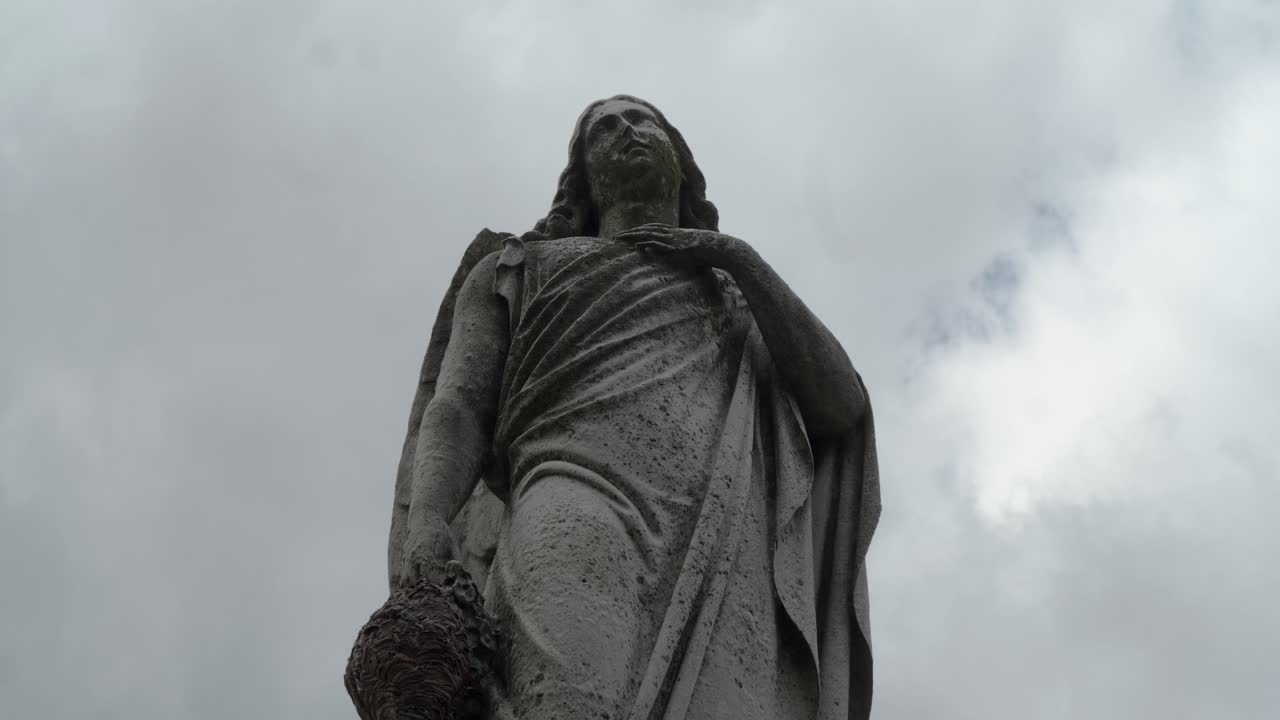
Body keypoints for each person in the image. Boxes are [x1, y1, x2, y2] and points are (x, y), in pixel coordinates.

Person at [387, 95, 881, 719]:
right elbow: (459, 407)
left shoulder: (737, 297)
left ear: (680, 162)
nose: (627, 130)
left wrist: (738, 258)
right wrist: (428, 518)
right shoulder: (519, 268)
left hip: (726, 535)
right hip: (575, 495)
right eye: (604, 129)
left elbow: (841, 407)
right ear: (582, 180)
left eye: (643, 120)